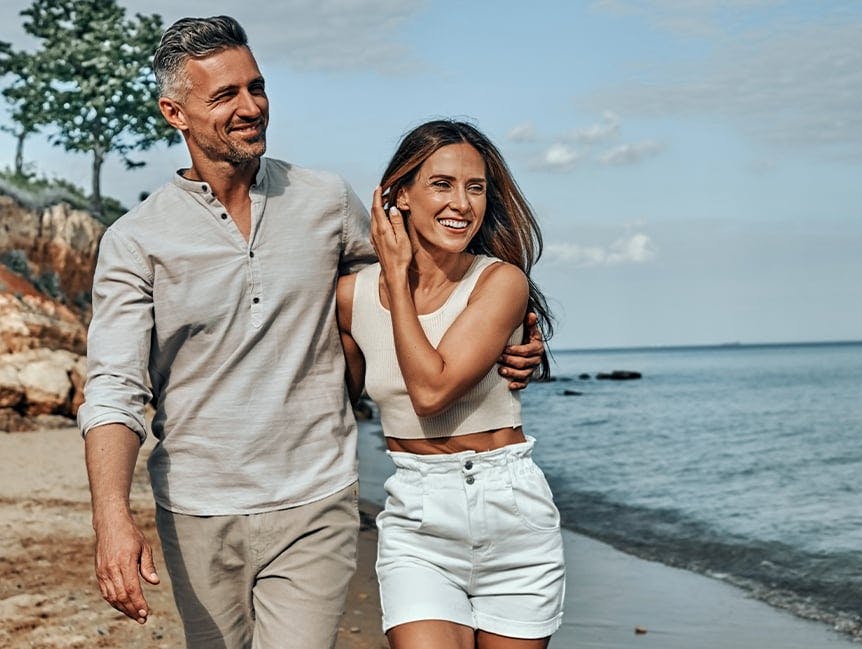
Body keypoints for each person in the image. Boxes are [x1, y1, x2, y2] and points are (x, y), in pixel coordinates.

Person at [77, 16, 543, 649]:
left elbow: (412, 289)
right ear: (174, 112)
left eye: (257, 87)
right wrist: (112, 518)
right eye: (226, 96)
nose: (251, 108)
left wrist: (513, 341)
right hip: (197, 506)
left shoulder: (324, 200)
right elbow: (114, 388)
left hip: (318, 498)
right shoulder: (135, 240)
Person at [336, 120, 565, 649]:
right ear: (399, 195)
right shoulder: (349, 298)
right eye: (442, 184)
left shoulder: (501, 282)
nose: (461, 203)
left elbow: (432, 391)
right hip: (418, 517)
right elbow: (328, 400)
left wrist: (394, 278)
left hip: (512, 515)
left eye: (475, 187)